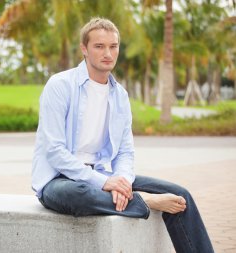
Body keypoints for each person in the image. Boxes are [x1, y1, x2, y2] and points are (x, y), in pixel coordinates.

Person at [31, 17, 214, 253]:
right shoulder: (59, 85)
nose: (108, 53)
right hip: (59, 179)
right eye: (99, 46)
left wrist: (122, 182)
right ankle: (144, 202)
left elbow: (125, 151)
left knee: (180, 196)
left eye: (113, 46)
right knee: (77, 193)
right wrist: (106, 183)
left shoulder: (120, 95)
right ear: (84, 49)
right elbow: (55, 152)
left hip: (104, 173)